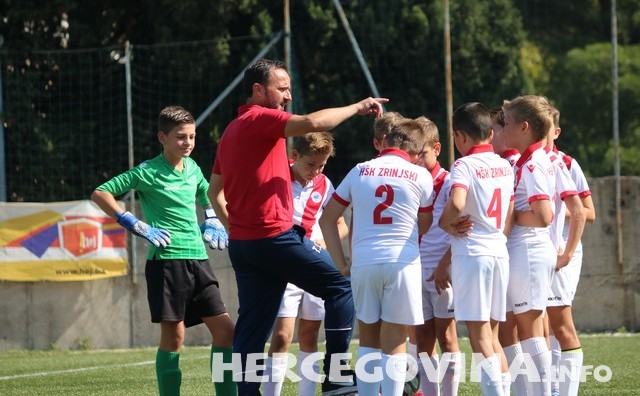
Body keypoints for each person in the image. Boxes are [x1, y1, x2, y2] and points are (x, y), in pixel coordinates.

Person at [207, 58, 387, 396]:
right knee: (340, 289)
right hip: (273, 237)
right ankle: (335, 378)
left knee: (252, 327)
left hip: (245, 245)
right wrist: (359, 106)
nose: (288, 95)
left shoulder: (230, 131)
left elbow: (213, 191)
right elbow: (314, 122)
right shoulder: (260, 118)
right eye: (282, 88)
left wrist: (235, 228)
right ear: (258, 90)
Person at [90, 105, 236, 396]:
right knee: (174, 337)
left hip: (199, 259)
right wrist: (133, 222)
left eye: (192, 137)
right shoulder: (148, 171)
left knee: (226, 332)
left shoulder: (193, 168)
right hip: (166, 262)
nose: (188, 143)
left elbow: (207, 195)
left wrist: (211, 220)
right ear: (162, 137)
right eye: (181, 137)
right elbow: (100, 192)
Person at [320, 118, 434, 396]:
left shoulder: (359, 170)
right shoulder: (420, 174)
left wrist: (342, 262)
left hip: (364, 262)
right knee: (396, 341)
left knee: (369, 337)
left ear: (386, 142)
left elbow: (327, 219)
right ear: (416, 151)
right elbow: (426, 223)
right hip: (402, 262)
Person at [432, 102, 514, 396]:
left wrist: (445, 224)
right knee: (492, 335)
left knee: (480, 337)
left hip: (473, 254)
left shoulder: (463, 165)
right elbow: (510, 208)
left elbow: (456, 202)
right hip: (498, 251)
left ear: (459, 136)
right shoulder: (504, 164)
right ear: (491, 134)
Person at [262, 132, 349, 396]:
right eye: (311, 164)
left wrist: (319, 245)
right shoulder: (277, 180)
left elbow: (340, 225)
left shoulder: (324, 185)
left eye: (321, 165)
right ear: (295, 155)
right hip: (285, 267)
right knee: (281, 337)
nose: (316, 171)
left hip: (314, 267)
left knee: (310, 334)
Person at [502, 95, 557, 396]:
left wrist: (505, 217)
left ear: (524, 127)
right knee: (521, 329)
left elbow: (544, 216)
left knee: (531, 331)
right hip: (524, 251)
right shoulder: (530, 159)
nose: (504, 129)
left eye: (508, 124)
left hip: (530, 251)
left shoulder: (534, 164)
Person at [545, 106, 593, 396]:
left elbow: (588, 212)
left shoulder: (567, 163)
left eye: (546, 128)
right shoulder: (521, 161)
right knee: (538, 323)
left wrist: (552, 212)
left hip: (565, 251)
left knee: (557, 321)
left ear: (556, 131)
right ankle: (547, 388)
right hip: (537, 249)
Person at [413, 116, 461, 396]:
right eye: (413, 153)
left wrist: (446, 263)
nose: (417, 159)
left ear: (437, 149)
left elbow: (461, 227)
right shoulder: (411, 181)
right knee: (422, 339)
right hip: (414, 269)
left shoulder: (450, 182)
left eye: (423, 153)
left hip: (442, 272)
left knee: (447, 336)